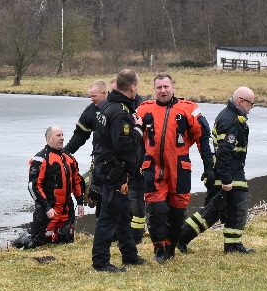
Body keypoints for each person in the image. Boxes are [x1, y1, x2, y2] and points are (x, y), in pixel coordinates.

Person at [136, 73, 213, 263]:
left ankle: (171, 245)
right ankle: (159, 248)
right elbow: (132, 140)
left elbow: (203, 138)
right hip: (153, 167)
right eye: (159, 87)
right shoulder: (144, 110)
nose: (163, 90)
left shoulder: (189, 110)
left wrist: (209, 167)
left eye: (166, 87)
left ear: (173, 87)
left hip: (179, 168)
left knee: (178, 210)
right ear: (154, 89)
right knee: (156, 209)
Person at [177, 87, 256, 254]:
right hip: (228, 173)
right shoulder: (231, 120)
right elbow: (225, 152)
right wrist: (227, 180)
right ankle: (231, 245)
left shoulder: (230, 116)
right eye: (251, 104)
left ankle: (183, 237)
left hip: (227, 171)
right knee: (236, 208)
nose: (251, 107)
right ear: (241, 101)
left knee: (213, 212)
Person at [91, 69, 146, 272]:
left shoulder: (106, 107)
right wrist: (138, 130)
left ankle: (130, 255)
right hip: (116, 172)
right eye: (136, 86)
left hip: (108, 168)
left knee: (124, 215)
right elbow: (123, 145)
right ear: (132, 87)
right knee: (108, 217)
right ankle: (101, 261)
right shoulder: (120, 112)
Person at [14, 126, 84, 248]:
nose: (62, 138)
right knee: (39, 243)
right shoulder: (40, 159)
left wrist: (80, 202)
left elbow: (77, 181)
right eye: (58, 135)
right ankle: (26, 237)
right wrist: (46, 207)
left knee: (65, 241)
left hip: (67, 211)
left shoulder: (69, 158)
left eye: (62, 135)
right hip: (48, 211)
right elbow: (33, 186)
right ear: (48, 138)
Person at [64, 80, 108, 155]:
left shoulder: (119, 105)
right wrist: (65, 152)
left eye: (94, 96)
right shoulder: (90, 111)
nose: (91, 99)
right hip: (101, 157)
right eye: (90, 96)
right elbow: (80, 135)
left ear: (104, 93)